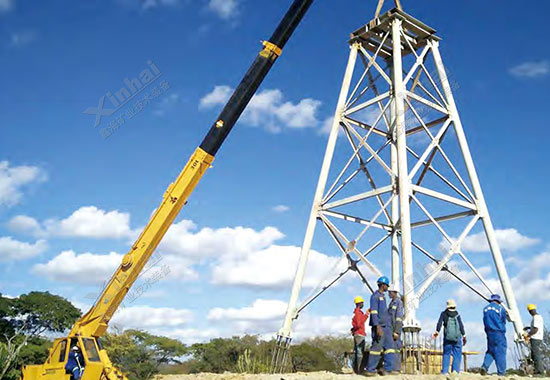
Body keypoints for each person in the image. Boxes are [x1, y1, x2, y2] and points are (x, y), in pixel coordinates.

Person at [365, 276, 394, 376]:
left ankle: (388, 369)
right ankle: (370, 369)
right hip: (380, 327)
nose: (387, 287)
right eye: (386, 285)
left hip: (387, 327)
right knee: (376, 348)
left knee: (389, 348)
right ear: (382, 285)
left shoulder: (383, 297)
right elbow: (374, 312)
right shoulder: (375, 296)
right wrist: (377, 326)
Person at [433, 299, 467, 374]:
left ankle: (445, 372)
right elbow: (461, 326)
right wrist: (464, 336)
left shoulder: (443, 314)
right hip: (457, 338)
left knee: (446, 354)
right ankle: (455, 372)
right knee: (457, 355)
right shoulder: (457, 314)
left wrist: (436, 332)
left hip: (447, 338)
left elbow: (439, 324)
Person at [480, 294, 508, 376]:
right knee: (500, 352)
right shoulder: (500, 309)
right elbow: (503, 320)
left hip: (489, 332)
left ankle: (485, 366)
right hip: (499, 332)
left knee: (491, 350)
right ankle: (501, 372)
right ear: (498, 301)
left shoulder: (485, 309)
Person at [524, 304, 545, 375]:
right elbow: (535, 327)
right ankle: (536, 370)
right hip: (539, 338)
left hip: (535, 338)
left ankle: (540, 371)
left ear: (530, 311)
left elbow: (535, 329)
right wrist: (529, 328)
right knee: (534, 355)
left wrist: (528, 335)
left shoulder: (535, 318)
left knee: (536, 355)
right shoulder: (539, 317)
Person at [351, 296, 370, 373]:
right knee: (359, 352)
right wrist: (353, 329)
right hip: (360, 334)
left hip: (358, 334)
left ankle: (356, 369)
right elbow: (359, 325)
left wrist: (367, 314)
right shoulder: (358, 313)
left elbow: (362, 321)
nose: (363, 304)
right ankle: (358, 370)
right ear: (359, 303)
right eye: (362, 303)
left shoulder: (358, 313)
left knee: (357, 352)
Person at [388, 285, 404, 373]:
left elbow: (399, 317)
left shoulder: (399, 302)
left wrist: (397, 331)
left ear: (394, 292)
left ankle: (396, 369)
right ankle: (391, 368)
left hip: (395, 329)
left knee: (396, 348)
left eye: (390, 292)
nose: (388, 294)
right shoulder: (391, 303)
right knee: (391, 348)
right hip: (390, 329)